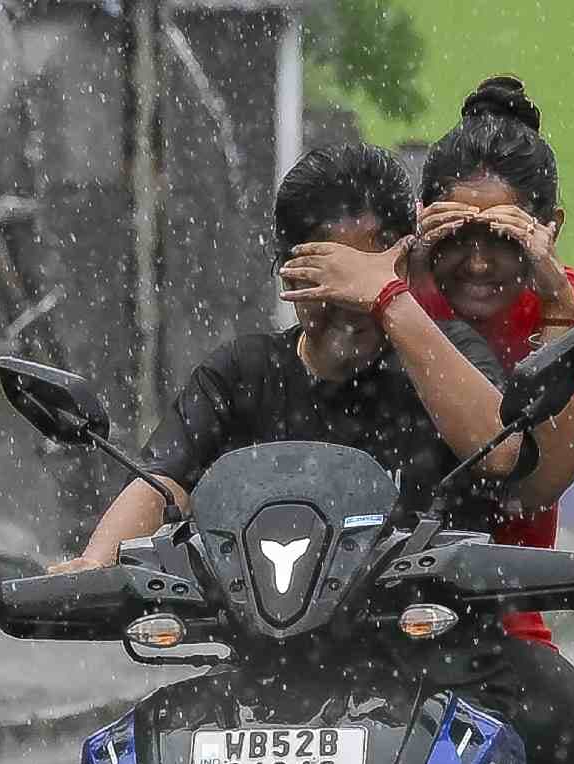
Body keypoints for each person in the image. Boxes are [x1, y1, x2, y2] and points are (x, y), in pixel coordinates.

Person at [49, 142, 523, 572]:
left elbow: (501, 452)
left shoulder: (448, 355)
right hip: (269, 641)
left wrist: (391, 300)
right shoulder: (242, 373)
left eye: (362, 281)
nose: (350, 305)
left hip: (431, 642)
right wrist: (96, 563)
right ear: (288, 276)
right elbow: (165, 481)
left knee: (543, 672)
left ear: (404, 263)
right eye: (326, 281)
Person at [405, 76, 574, 764]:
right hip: (346, 614)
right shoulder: (383, 300)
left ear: (551, 231)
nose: (478, 263)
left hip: (495, 620)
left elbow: (545, 481)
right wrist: (403, 291)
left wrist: (553, 309)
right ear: (421, 224)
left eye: (505, 240)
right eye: (457, 237)